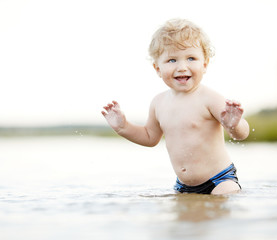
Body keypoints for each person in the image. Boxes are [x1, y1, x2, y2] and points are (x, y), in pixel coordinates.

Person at [101, 19, 249, 195]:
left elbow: (242, 133)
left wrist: (234, 125)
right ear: (157, 68)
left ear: (205, 64)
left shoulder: (209, 98)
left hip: (220, 179)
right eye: (172, 60)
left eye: (191, 58)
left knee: (225, 196)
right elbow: (150, 137)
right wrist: (123, 127)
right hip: (183, 186)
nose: (181, 67)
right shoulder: (158, 103)